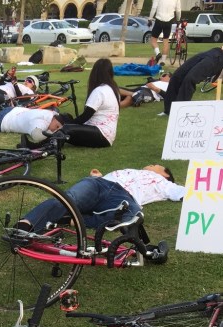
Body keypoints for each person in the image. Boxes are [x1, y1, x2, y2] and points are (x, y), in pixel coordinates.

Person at [19, 164, 184, 234]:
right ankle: (26, 225)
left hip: (123, 197)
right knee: (68, 198)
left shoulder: (163, 182)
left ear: (165, 174)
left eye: (156, 165)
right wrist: (97, 177)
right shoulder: (133, 171)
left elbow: (185, 192)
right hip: (100, 184)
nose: (152, 165)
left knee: (132, 215)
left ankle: (69, 220)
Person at [59, 58, 120, 148]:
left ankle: (47, 146)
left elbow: (85, 117)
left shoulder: (99, 91)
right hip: (105, 134)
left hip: (101, 134)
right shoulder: (113, 89)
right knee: (65, 118)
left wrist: (67, 124)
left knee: (65, 129)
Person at [162, 46, 223, 115]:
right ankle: (168, 110)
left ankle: (179, 111)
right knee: (177, 76)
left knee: (190, 79)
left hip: (218, 58)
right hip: (214, 51)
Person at [149, 0, 181, 67]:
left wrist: (150, 18)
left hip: (159, 20)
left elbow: (154, 7)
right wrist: (178, 20)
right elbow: (178, 10)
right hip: (169, 21)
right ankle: (163, 61)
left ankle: (158, 53)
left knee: (153, 40)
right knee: (166, 40)